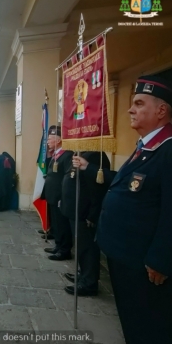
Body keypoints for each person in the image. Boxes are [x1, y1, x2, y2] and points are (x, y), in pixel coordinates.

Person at [74, 75, 172, 343]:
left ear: (161, 111)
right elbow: (127, 183)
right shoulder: (145, 148)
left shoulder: (167, 150)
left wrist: (161, 259)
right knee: (132, 321)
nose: (131, 109)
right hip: (125, 256)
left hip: (144, 264)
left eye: (139, 103)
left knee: (148, 326)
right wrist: (89, 169)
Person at [61, 151, 112, 297]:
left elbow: (98, 188)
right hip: (75, 210)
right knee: (81, 247)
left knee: (88, 248)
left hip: (85, 212)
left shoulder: (96, 156)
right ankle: (83, 275)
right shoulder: (80, 152)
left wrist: (93, 213)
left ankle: (89, 283)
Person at [42, 125, 74, 261]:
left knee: (62, 224)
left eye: (50, 138)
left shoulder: (67, 155)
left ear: (59, 140)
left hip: (60, 196)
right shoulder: (56, 154)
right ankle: (58, 245)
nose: (48, 141)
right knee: (56, 223)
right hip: (52, 195)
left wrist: (62, 197)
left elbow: (66, 178)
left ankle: (64, 250)